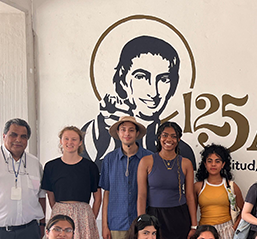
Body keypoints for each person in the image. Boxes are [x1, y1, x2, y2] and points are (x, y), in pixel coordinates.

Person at [82, 35, 196, 168]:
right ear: (123, 80)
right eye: (141, 77)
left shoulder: (182, 151)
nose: (154, 92)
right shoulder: (98, 133)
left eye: (164, 79)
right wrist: (104, 126)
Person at [137, 121, 196, 239]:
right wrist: (142, 224)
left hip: (179, 219)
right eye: (165, 135)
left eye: (173, 136)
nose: (169, 139)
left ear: (178, 140)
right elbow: (141, 195)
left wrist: (193, 225)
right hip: (154, 219)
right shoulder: (146, 161)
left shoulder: (185, 163)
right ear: (159, 138)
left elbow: (190, 196)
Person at [99, 116, 153, 239]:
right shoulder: (109, 159)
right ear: (118, 133)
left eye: (131, 130)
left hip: (143, 223)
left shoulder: (149, 157)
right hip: (117, 223)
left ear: (136, 133)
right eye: (123, 130)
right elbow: (107, 194)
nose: (127, 133)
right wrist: (105, 225)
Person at [41, 126, 101, 239]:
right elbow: (50, 194)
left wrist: (90, 217)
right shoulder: (51, 166)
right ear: (61, 141)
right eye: (66, 139)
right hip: (60, 211)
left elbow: (97, 196)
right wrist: (59, 209)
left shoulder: (90, 167)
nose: (70, 142)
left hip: (83, 214)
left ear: (80, 142)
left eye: (74, 139)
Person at [193, 144, 244, 239]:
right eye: (209, 161)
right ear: (205, 164)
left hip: (226, 230)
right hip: (203, 231)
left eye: (217, 161)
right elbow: (191, 211)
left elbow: (244, 211)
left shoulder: (231, 186)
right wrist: (195, 231)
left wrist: (233, 229)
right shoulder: (198, 186)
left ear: (223, 164)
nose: (213, 164)